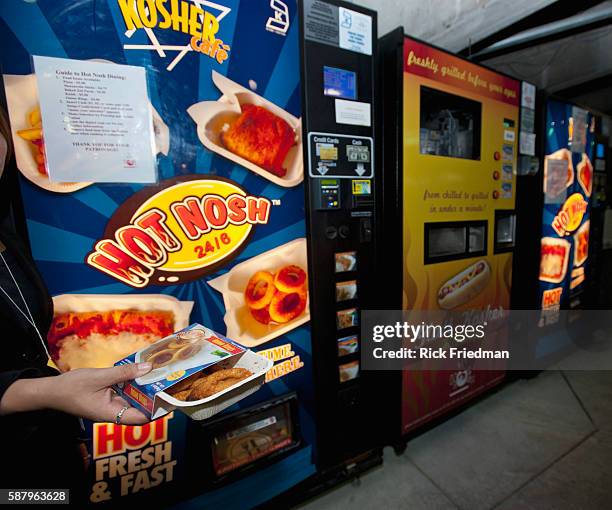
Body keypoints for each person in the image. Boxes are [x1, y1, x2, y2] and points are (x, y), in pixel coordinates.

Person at [0, 108, 152, 494]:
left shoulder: (8, 236)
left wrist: (69, 435)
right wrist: (49, 394)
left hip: (45, 447)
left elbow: (29, 347)